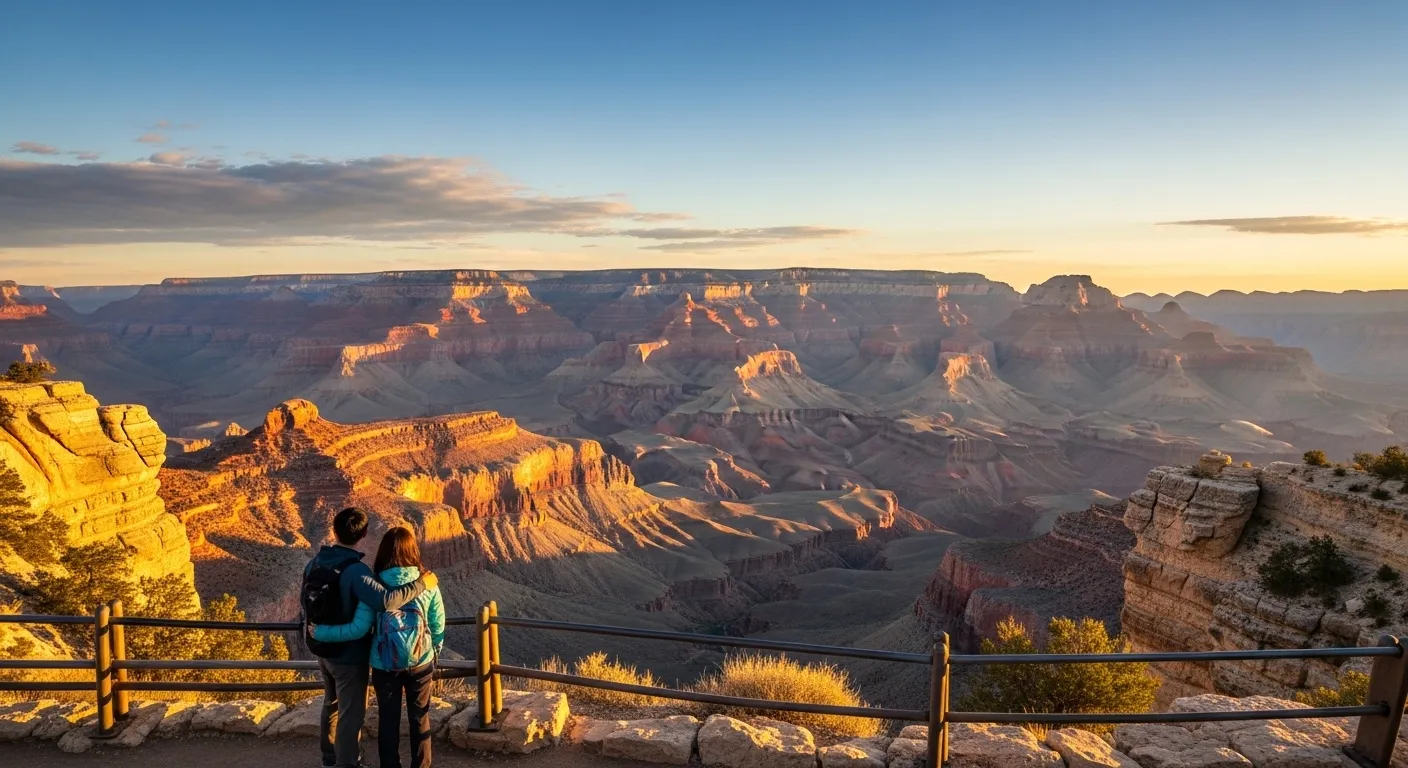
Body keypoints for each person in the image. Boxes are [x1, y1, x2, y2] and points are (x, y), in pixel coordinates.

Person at [303, 508, 438, 768]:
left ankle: (329, 758)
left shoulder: (315, 563)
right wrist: (423, 584)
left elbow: (307, 603)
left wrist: (316, 633)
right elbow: (387, 601)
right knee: (351, 714)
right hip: (348, 656)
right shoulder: (358, 573)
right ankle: (346, 764)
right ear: (364, 533)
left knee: (331, 704)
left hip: (321, 650)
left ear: (334, 530)